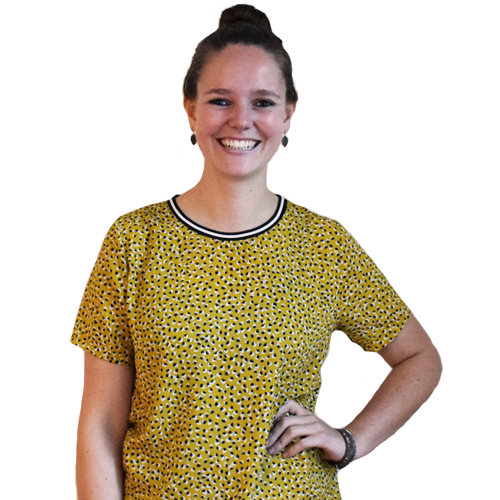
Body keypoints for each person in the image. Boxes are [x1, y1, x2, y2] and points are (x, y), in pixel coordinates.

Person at [71, 4, 442, 499]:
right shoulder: (134, 241)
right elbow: (100, 425)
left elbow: (420, 358)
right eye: (220, 100)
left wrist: (350, 441)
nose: (241, 120)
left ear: (288, 114)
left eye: (263, 102)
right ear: (191, 109)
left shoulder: (324, 246)